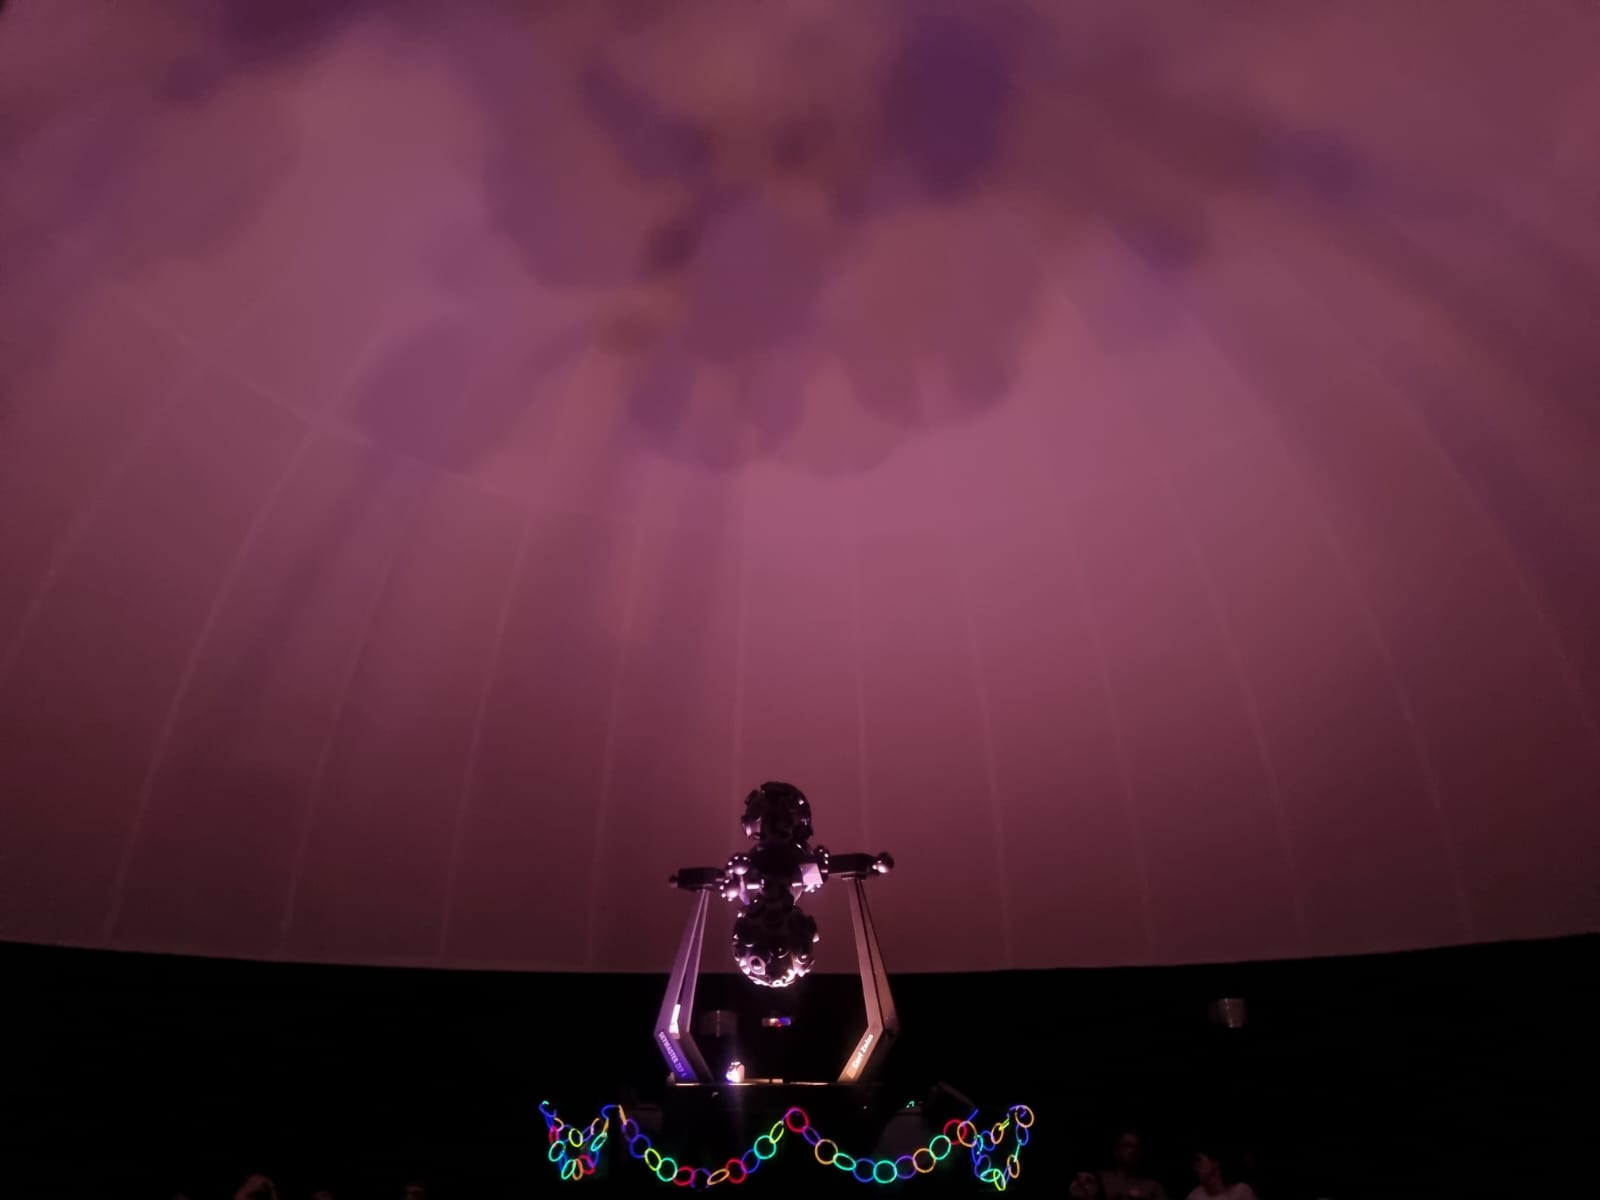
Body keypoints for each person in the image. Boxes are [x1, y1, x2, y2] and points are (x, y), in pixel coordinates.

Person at [1102, 1131, 1168, 1200]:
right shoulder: (1101, 1179)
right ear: (1116, 1150)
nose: (1133, 1151)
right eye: (1127, 1146)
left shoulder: (1153, 1187)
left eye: (1137, 1147)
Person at [1186, 1148, 1257, 1200]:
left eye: (1199, 1161)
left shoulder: (1241, 1192)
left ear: (1215, 1162)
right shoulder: (1194, 1196)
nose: (1195, 1168)